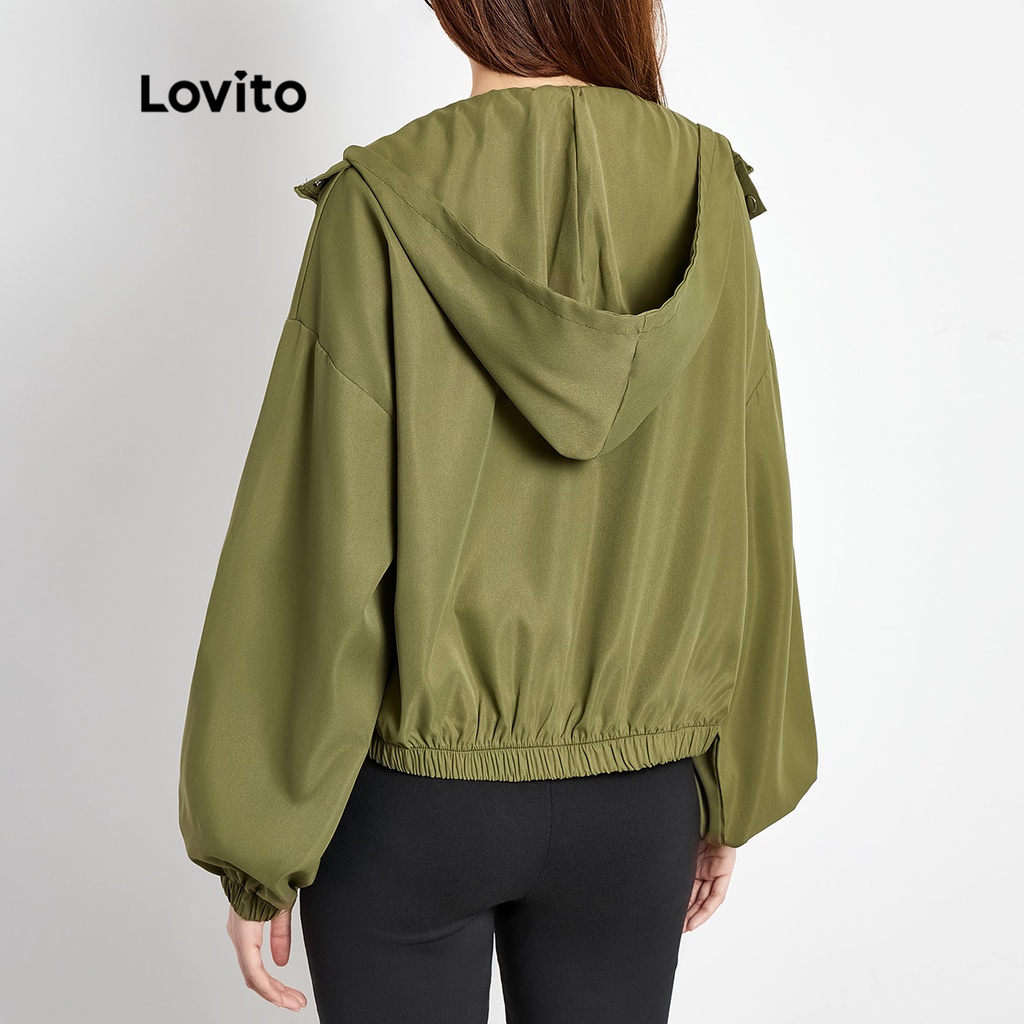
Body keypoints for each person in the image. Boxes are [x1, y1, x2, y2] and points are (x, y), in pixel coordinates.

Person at [178, 1, 818, 1020]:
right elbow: (748, 499)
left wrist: (258, 842)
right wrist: (731, 779)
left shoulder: (382, 200)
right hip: (638, 801)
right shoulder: (707, 188)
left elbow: (316, 534)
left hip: (412, 806)